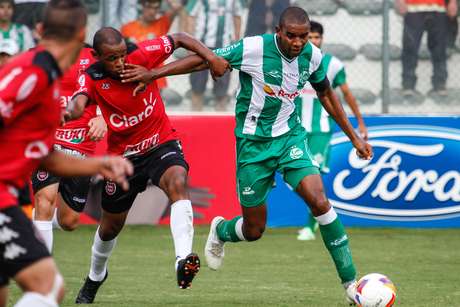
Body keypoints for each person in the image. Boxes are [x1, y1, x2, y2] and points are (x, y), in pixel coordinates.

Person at [120, 6, 373, 304]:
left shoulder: (312, 56)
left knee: (319, 201)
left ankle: (350, 284)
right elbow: (205, 59)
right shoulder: (253, 47)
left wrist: (354, 136)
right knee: (253, 230)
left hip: (290, 137)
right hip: (253, 146)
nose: (298, 42)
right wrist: (154, 73)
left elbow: (326, 93)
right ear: (278, 31)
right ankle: (222, 230)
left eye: (303, 37)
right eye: (291, 36)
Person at [69, 27, 229, 304]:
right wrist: (68, 113)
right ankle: (96, 276)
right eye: (112, 58)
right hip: (123, 158)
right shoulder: (92, 78)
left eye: (122, 55)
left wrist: (157, 72)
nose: (120, 62)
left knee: (178, 181)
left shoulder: (141, 55)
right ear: (97, 57)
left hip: (160, 144)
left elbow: (180, 38)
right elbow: (78, 101)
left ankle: (183, 259)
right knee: (110, 227)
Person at [0, 1, 133, 307]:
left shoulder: (43, 78)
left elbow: (43, 155)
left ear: (40, 30)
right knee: (47, 286)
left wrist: (99, 164)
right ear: (83, 35)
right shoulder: (33, 73)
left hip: (9, 197)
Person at [297, 21, 368, 241]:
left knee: (314, 177)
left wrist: (360, 123)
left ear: (322, 39)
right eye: (310, 37)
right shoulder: (292, 61)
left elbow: (347, 95)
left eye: (317, 37)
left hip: (320, 130)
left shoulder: (332, 64)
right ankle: (315, 219)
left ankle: (310, 227)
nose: (314, 41)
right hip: (294, 129)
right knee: (297, 179)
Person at [31, 45, 104, 253]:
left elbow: (113, 91)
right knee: (44, 202)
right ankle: (42, 272)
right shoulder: (40, 55)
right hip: (48, 142)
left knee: (69, 221)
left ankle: (35, 225)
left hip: (81, 145)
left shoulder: (94, 56)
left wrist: (104, 118)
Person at [185, 0, 242, 111]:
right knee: (197, 89)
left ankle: (221, 126)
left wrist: (236, 42)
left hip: (224, 49)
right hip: (202, 47)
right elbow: (190, 16)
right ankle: (195, 123)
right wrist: (190, 44)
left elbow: (237, 16)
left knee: (221, 93)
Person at [396, 0, 458, 96]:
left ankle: (440, 84)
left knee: (439, 49)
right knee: (410, 47)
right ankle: (408, 85)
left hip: (439, 8)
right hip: (413, 8)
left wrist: (453, 2)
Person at [121, 0, 183, 90]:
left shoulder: (162, 24)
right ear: (141, 7)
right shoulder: (126, 28)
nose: (152, 11)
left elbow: (176, 6)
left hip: (157, 78)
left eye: (156, 8)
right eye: (149, 7)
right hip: (134, 78)